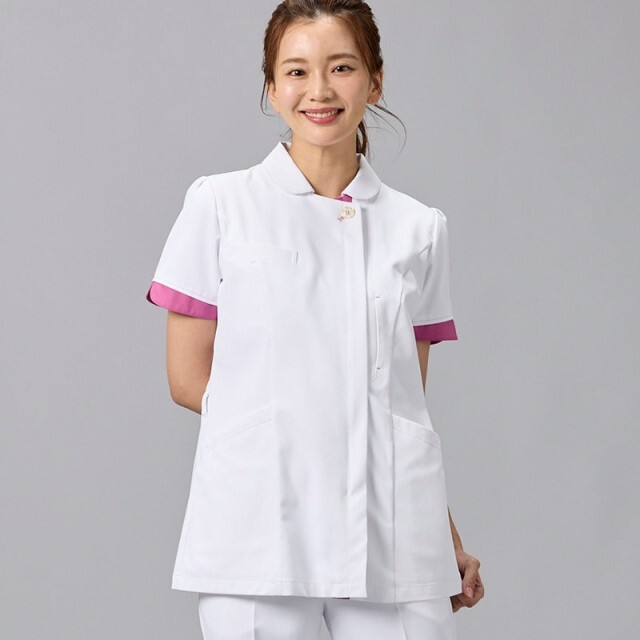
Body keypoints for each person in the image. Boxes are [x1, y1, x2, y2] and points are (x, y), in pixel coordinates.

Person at [146, 1, 484, 638]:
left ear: (375, 81)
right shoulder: (220, 205)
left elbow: (403, 408)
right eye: (297, 71)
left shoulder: (420, 229)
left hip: (396, 538)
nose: (320, 90)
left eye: (342, 67)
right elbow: (188, 380)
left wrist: (447, 536)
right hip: (262, 530)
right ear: (272, 87)